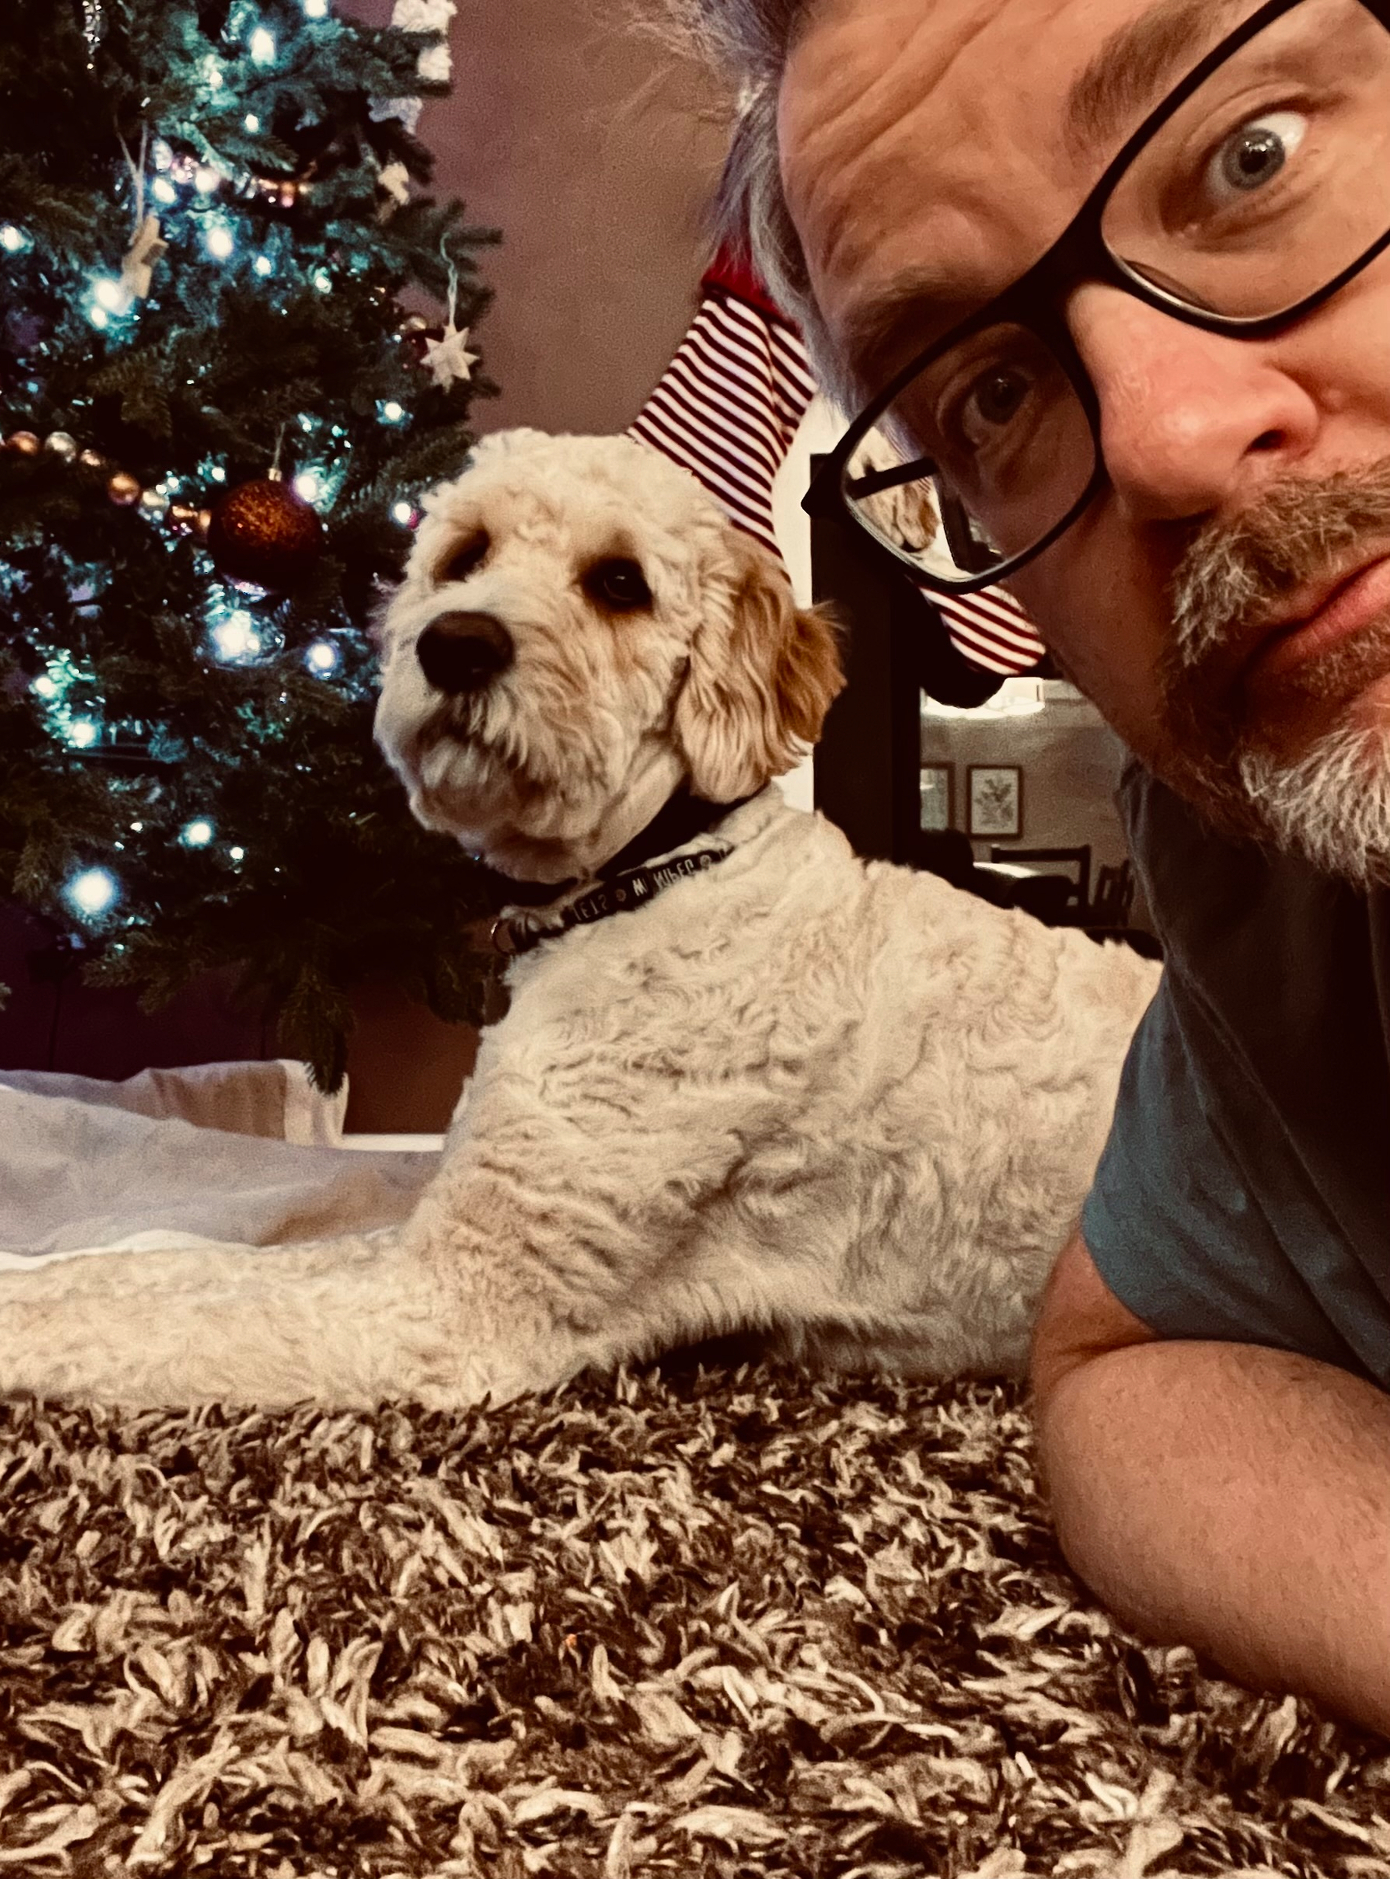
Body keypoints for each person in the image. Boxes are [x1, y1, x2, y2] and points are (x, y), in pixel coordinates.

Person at [675, 0, 1390, 1731]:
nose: (1158, 436)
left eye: (1253, 158)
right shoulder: (1262, 855)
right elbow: (1123, 1355)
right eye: (989, 392)